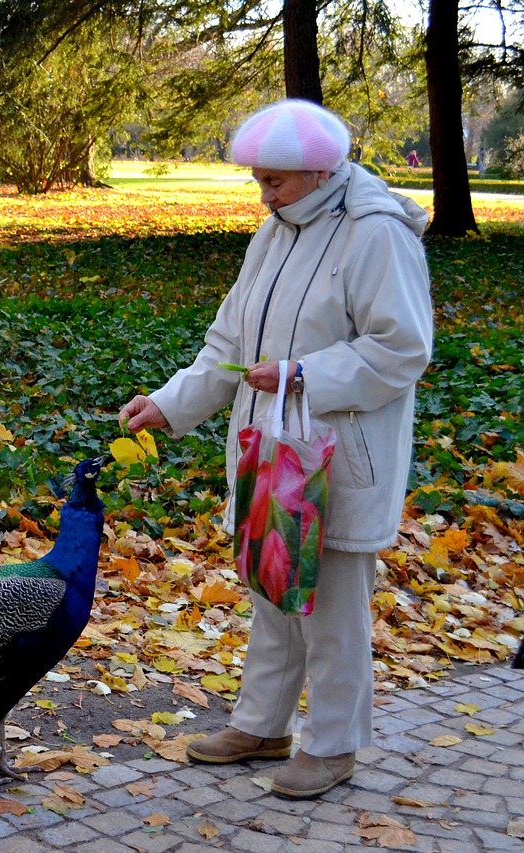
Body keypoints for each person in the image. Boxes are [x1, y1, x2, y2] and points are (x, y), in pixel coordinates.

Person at [119, 99, 434, 799]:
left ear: (321, 172)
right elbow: (229, 344)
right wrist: (168, 405)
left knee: (331, 606)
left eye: (276, 182)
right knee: (273, 586)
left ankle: (334, 744)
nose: (263, 195)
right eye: (258, 180)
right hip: (274, 453)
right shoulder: (277, 230)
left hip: (340, 454)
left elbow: (403, 347)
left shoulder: (375, 232)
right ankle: (263, 725)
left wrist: (302, 375)